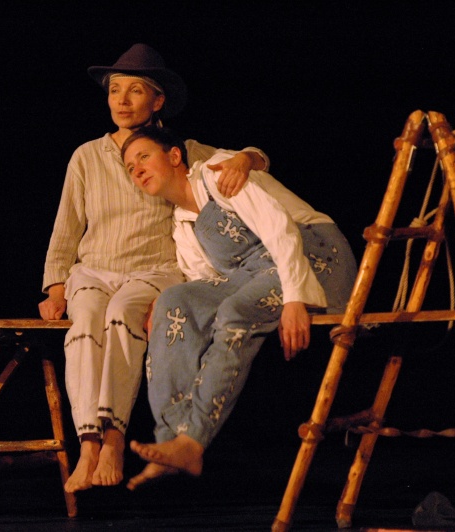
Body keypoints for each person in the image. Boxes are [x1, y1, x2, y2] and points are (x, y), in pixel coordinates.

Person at [39, 43, 270, 493]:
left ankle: (113, 439)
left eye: (135, 91)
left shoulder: (177, 149)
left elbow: (252, 157)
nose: (122, 101)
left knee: (122, 314)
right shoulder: (87, 156)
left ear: (158, 100)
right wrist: (55, 286)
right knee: (85, 321)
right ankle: (88, 443)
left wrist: (248, 157)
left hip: (154, 270)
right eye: (115, 91)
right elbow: (66, 227)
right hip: (95, 270)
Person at [120, 126, 357, 489]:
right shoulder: (182, 228)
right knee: (174, 302)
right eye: (129, 167)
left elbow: (278, 228)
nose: (137, 169)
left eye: (144, 157)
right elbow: (205, 286)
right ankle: (172, 440)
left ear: (174, 156)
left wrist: (295, 297)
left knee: (235, 311)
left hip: (313, 254)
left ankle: (193, 440)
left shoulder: (218, 173)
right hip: (254, 275)